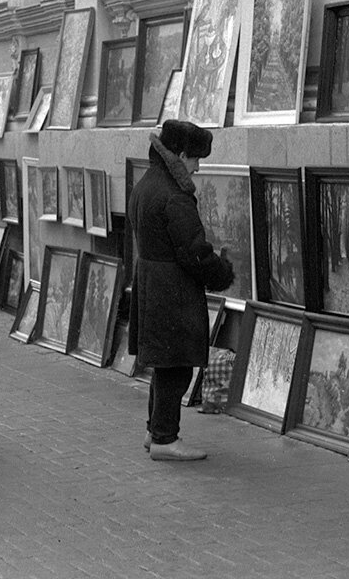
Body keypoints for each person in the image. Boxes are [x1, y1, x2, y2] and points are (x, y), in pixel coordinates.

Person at [128, 119, 234, 461]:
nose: (198, 167)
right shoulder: (175, 195)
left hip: (151, 284)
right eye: (196, 159)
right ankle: (164, 438)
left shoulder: (146, 184)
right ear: (182, 154)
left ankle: (154, 430)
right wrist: (222, 273)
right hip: (172, 291)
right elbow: (194, 251)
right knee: (177, 366)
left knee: (164, 364)